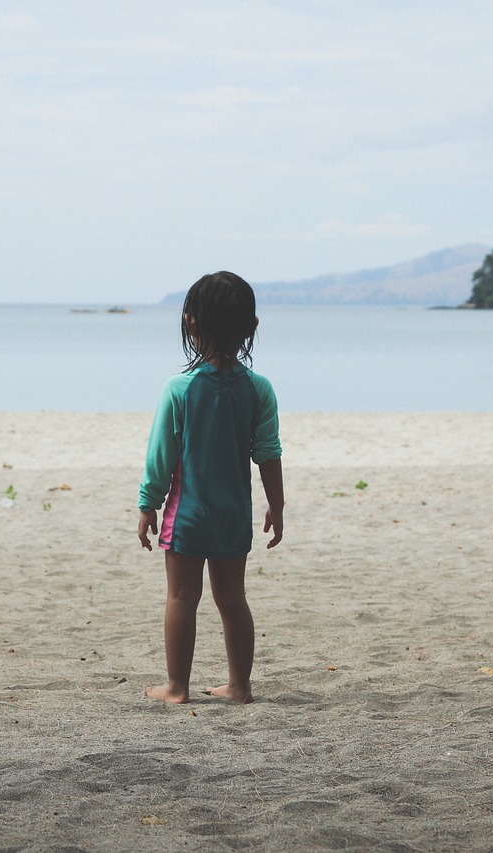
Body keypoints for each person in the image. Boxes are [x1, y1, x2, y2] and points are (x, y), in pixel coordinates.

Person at [137, 271, 284, 705]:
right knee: (232, 598)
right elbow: (268, 454)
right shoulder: (259, 390)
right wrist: (277, 505)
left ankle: (177, 687)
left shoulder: (179, 389)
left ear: (191, 324)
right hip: (234, 513)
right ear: (251, 327)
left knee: (182, 596)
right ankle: (240, 686)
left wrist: (148, 505)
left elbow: (160, 457)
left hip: (189, 515)